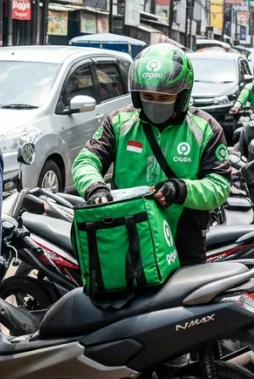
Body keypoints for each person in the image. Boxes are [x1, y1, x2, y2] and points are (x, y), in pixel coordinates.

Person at [73, 43, 231, 266]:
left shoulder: (205, 128)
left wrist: (181, 189)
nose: (155, 103)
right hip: (126, 235)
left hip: (183, 241)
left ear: (182, 95)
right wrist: (95, 188)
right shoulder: (119, 123)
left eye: (164, 98)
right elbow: (86, 161)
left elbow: (219, 185)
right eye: (147, 95)